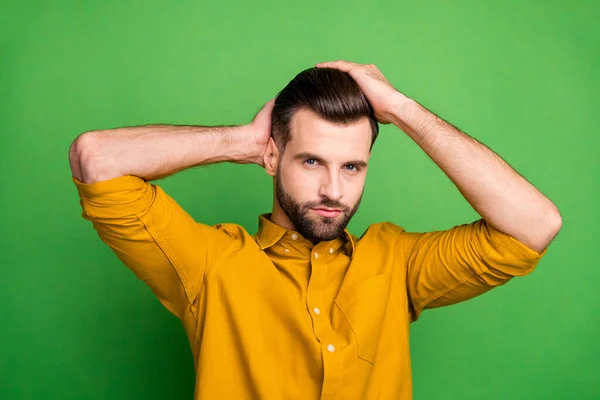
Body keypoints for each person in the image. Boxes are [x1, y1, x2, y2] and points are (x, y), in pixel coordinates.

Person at [69, 60, 562, 400]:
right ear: (272, 156)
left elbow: (536, 223)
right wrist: (238, 140)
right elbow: (96, 158)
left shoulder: (398, 265)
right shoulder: (208, 264)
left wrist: (403, 111)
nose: (333, 189)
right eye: (311, 161)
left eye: (352, 167)